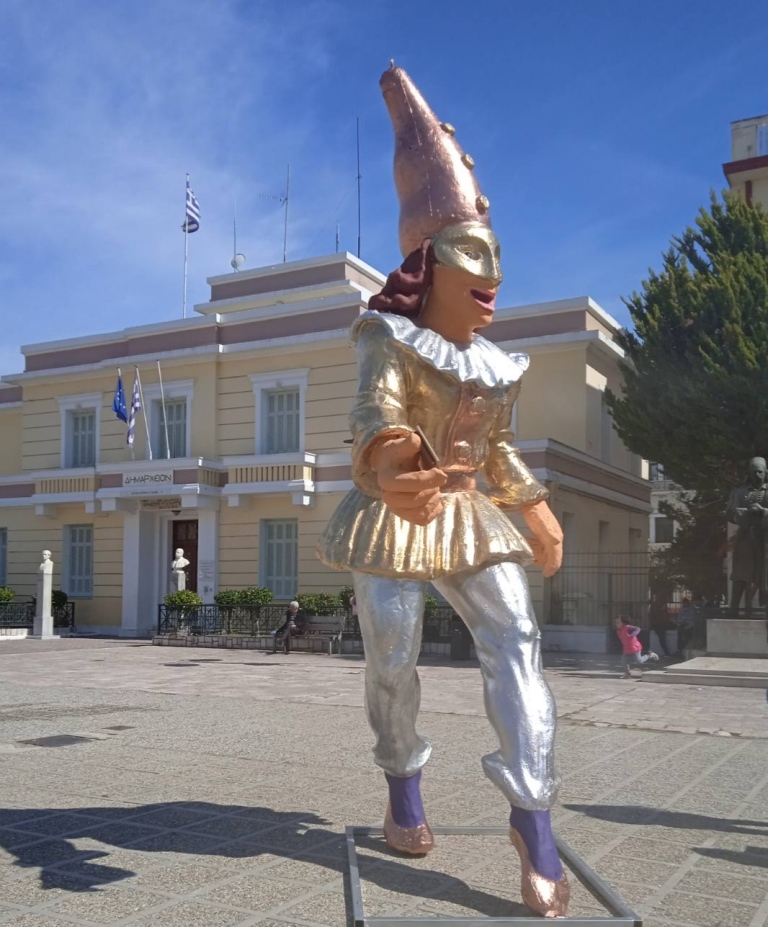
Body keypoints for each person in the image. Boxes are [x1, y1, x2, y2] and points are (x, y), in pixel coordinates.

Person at [317, 64, 568, 917]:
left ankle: (533, 818)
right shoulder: (386, 338)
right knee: (392, 654)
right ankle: (403, 788)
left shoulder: (498, 363)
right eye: (474, 262)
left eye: (496, 261)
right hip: (392, 511)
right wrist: (390, 460)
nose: (492, 279)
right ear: (429, 267)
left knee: (517, 635)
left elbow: (498, 449)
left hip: (467, 510)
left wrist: (533, 505)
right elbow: (374, 411)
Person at [727, 457, 768, 615]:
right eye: (754, 472)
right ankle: (734, 608)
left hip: (765, 540)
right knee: (741, 574)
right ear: (749, 473)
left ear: (765, 473)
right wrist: (743, 514)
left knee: (764, 574)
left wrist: (762, 511)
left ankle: (760, 608)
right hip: (746, 538)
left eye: (760, 472)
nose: (757, 475)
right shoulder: (739, 492)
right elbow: (730, 513)